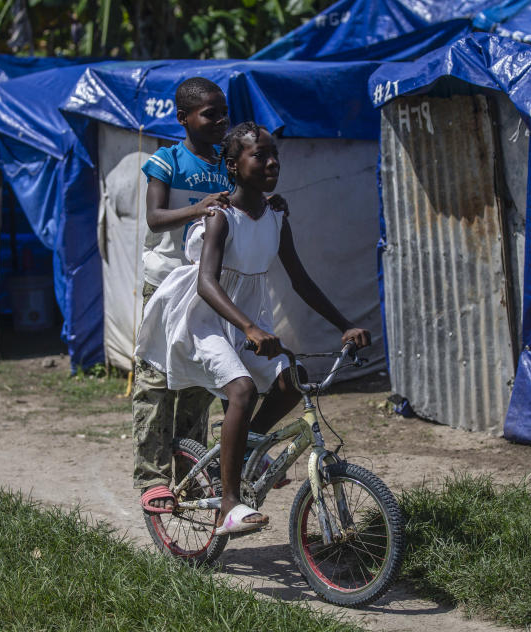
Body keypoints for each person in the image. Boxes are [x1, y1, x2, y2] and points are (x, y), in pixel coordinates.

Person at [136, 121, 370, 535]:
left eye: (274, 154)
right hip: (205, 320)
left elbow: (299, 278)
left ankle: (245, 451)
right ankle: (229, 504)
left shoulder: (275, 215)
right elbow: (207, 284)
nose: (272, 162)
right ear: (232, 165)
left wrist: (345, 324)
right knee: (241, 389)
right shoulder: (220, 217)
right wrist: (249, 327)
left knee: (291, 379)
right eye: (259, 155)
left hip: (246, 321)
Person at [133, 77, 233, 513]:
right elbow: (155, 218)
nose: (220, 121)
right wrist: (199, 207)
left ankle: (191, 476)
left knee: (197, 383)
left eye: (223, 112)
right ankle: (152, 478)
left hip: (207, 287)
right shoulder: (166, 161)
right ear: (183, 119)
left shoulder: (227, 163)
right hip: (164, 284)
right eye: (210, 113)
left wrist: (272, 204)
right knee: (156, 382)